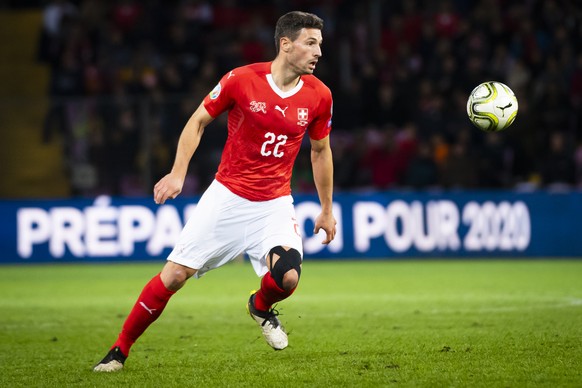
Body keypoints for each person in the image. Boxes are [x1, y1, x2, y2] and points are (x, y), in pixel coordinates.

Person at [93, 10, 336, 372]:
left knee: (287, 275)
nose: (318, 51)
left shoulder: (319, 95)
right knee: (174, 276)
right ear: (286, 44)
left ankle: (260, 306)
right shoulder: (241, 80)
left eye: (320, 44)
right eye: (311, 43)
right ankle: (119, 350)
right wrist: (178, 173)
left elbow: (320, 151)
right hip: (226, 198)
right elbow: (198, 121)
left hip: (273, 203)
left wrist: (326, 209)